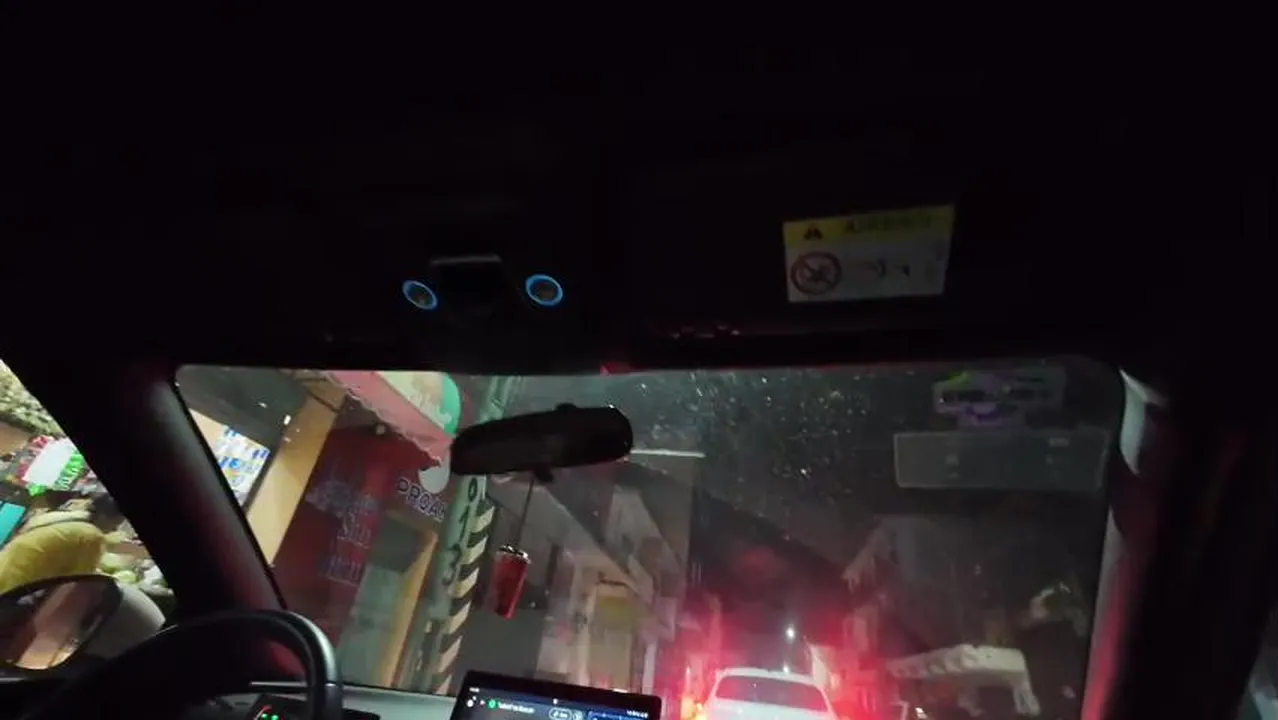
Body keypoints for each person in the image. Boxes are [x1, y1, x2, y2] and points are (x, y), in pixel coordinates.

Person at [0, 493, 125, 595]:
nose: (114, 529)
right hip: (17, 582)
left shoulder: (65, 517)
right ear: (104, 516)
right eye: (116, 524)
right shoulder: (92, 536)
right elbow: (80, 581)